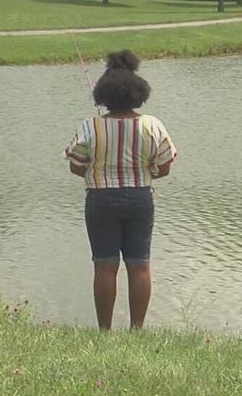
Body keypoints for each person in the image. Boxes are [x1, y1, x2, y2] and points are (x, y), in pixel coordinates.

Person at [63, 50, 176, 330]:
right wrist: (145, 172)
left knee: (105, 265)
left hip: (100, 200)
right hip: (140, 199)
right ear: (138, 94)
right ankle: (136, 330)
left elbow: (76, 166)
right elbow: (164, 167)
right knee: (139, 265)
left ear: (104, 95)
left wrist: (95, 170)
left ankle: (105, 331)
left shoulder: (90, 127)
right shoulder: (153, 125)